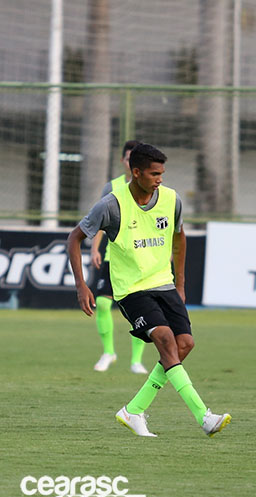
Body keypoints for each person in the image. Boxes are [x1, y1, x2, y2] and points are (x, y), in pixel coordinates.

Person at [67, 143, 231, 437]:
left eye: (162, 173)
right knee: (166, 339)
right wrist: (82, 286)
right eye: (155, 173)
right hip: (131, 290)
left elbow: (179, 239)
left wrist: (180, 284)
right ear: (136, 172)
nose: (160, 179)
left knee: (184, 345)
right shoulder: (111, 205)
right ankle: (204, 417)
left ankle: (134, 410)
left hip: (164, 284)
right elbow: (74, 238)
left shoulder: (171, 199)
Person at [90, 140, 150, 374]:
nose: (130, 161)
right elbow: (100, 222)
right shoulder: (112, 187)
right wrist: (95, 249)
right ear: (124, 161)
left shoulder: (151, 188)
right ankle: (108, 352)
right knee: (103, 303)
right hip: (112, 257)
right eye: (128, 157)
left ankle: (136, 360)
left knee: (141, 309)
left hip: (140, 259)